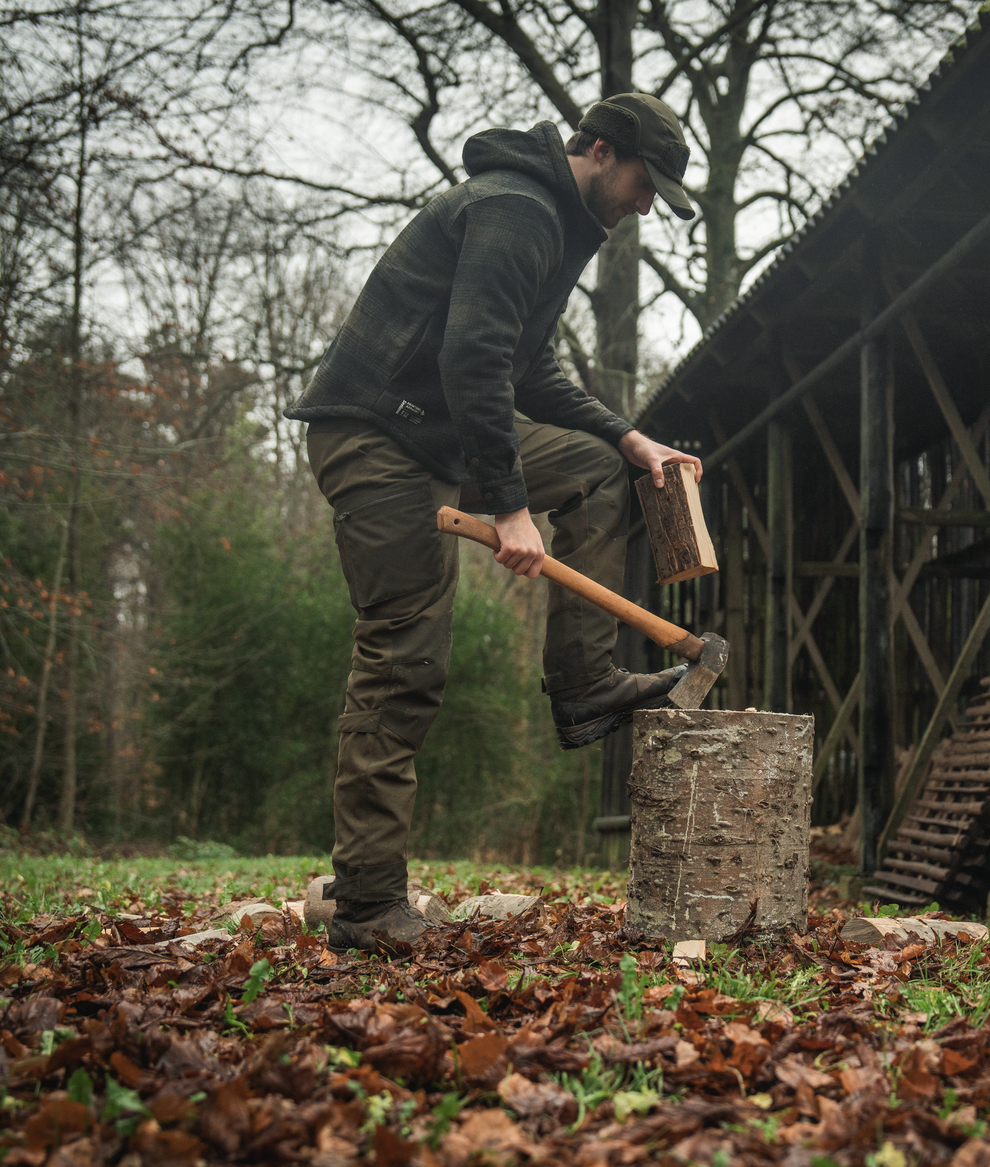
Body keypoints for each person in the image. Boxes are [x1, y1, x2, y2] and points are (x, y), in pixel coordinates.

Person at [285, 94, 704, 953]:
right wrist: (512, 509)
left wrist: (625, 436)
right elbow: (473, 356)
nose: (644, 205)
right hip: (372, 434)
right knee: (405, 653)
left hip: (433, 430)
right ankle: (366, 902)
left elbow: (527, 367)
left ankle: (583, 683)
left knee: (593, 467)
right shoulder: (516, 208)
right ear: (596, 149)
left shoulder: (554, 220)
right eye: (642, 182)